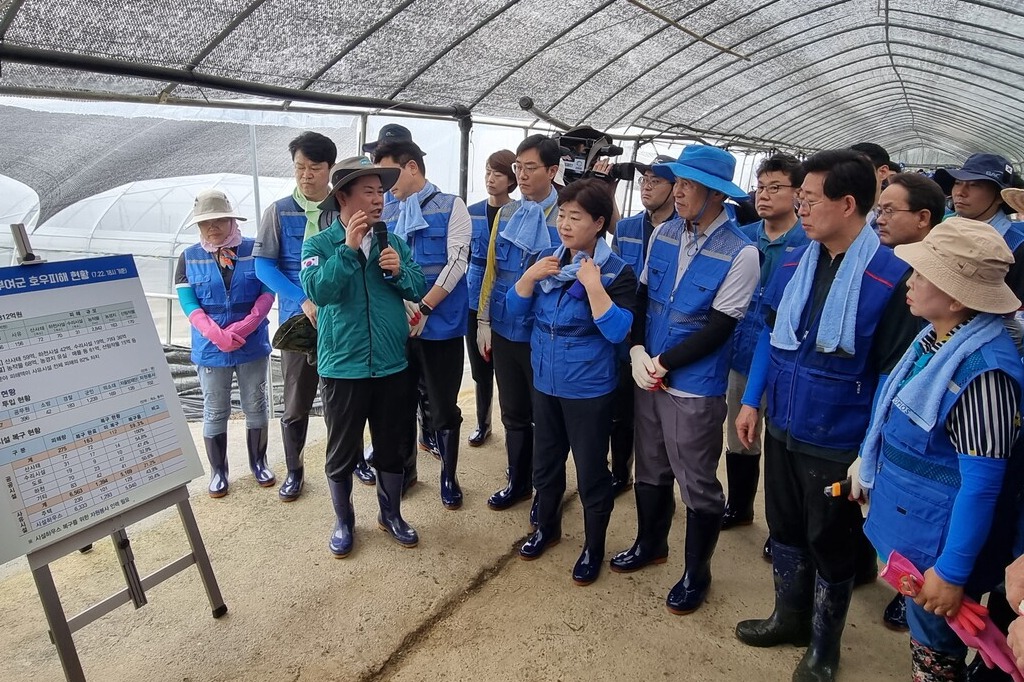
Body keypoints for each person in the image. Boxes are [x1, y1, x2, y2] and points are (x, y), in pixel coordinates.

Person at [733, 149, 919, 682]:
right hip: (784, 422)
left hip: (838, 437)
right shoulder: (796, 261)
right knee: (785, 527)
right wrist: (752, 400)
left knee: (831, 541)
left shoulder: (891, 277)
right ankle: (787, 619)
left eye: (810, 200)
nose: (802, 209)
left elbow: (892, 373)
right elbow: (772, 336)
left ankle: (823, 646)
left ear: (848, 204)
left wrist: (870, 450)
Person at [852, 218, 1023, 680]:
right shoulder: (936, 339)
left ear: (956, 298)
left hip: (940, 547)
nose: (909, 282)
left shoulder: (984, 378)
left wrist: (950, 573)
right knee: (927, 639)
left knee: (937, 652)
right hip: (920, 531)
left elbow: (981, 487)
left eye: (922, 274)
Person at [611, 145, 759, 616]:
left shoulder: (742, 252)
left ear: (716, 194)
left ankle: (698, 572)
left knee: (696, 479)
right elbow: (642, 297)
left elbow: (719, 327)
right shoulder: (664, 233)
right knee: (650, 465)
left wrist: (664, 362)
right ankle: (650, 543)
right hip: (649, 372)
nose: (677, 192)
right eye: (676, 182)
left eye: (688, 185)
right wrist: (637, 349)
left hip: (694, 385)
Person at [506, 179, 637, 585]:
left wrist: (594, 286)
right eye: (561, 215)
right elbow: (514, 311)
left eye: (575, 217)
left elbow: (619, 331)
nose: (564, 224)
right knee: (545, 463)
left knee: (591, 471)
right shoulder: (548, 260)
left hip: (588, 390)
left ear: (598, 223)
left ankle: (593, 547)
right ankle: (547, 528)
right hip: (545, 383)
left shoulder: (617, 272)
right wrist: (527, 279)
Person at [299, 157, 425, 557]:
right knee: (341, 450)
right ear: (343, 197)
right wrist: (349, 251)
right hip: (343, 367)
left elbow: (418, 286)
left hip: (391, 365)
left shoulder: (393, 241)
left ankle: (391, 515)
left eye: (380, 192)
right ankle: (344, 521)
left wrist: (400, 271)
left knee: (391, 446)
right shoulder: (319, 245)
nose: (378, 200)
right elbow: (319, 292)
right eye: (368, 192)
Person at [253, 132, 375, 500]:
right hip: (299, 325)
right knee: (296, 403)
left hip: (343, 324)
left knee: (347, 399)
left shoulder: (344, 209)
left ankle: (355, 459)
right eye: (299, 167)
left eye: (315, 168)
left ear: (330, 170)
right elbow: (263, 266)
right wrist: (302, 298)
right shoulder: (278, 212)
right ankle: (295, 470)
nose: (306, 175)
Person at [374, 139, 472, 510]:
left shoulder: (451, 206)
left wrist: (425, 306)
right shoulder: (385, 209)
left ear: (412, 167)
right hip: (398, 325)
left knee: (443, 406)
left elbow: (457, 261)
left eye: (389, 174)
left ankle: (449, 475)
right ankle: (406, 472)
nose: (384, 185)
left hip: (441, 325)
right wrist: (403, 306)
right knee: (399, 403)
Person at [870, 171, 949, 632]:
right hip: (888, 387)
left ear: (923, 218)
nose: (879, 218)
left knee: (917, 502)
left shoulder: (939, 279)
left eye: (889, 210)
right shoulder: (888, 262)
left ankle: (912, 589)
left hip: (918, 407)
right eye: (878, 209)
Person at [722, 153, 808, 532]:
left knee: (780, 441)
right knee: (740, 433)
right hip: (740, 353)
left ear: (798, 193)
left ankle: (781, 527)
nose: (764, 195)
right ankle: (739, 506)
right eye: (760, 187)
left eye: (776, 187)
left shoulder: (808, 244)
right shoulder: (742, 238)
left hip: (787, 360)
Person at [477, 134, 562, 516]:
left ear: (552, 170)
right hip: (506, 327)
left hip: (544, 333)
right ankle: (518, 481)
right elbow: (492, 269)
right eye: (518, 168)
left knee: (545, 416)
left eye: (530, 168)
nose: (522, 176)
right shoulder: (508, 213)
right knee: (513, 412)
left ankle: (546, 492)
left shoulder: (566, 214)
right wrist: (483, 319)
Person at [175, 190, 274, 498]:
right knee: (215, 409)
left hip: (251, 343)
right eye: (205, 222)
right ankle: (219, 472)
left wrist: (248, 324)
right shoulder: (188, 257)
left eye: (219, 220)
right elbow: (189, 303)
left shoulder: (254, 250)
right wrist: (215, 333)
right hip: (210, 348)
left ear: (232, 221)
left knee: (255, 404)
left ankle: (259, 463)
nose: (212, 227)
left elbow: (267, 291)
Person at [607, 154, 676, 496]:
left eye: (656, 181)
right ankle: (621, 472)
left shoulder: (684, 230)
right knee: (621, 409)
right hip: (626, 330)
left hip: (663, 334)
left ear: (676, 188)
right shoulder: (626, 229)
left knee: (661, 416)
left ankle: (660, 486)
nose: (646, 187)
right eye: (643, 180)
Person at [466, 150, 517, 448]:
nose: (490, 178)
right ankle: (482, 423)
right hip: (473, 298)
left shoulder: (520, 213)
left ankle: (513, 427)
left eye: (498, 173)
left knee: (508, 370)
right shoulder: (471, 211)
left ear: (511, 179)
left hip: (506, 298)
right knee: (479, 366)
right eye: (487, 171)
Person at [935, 153, 1024, 300]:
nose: (960, 192)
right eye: (957, 182)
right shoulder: (940, 228)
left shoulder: (1015, 247)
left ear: (999, 196)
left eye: (974, 185)